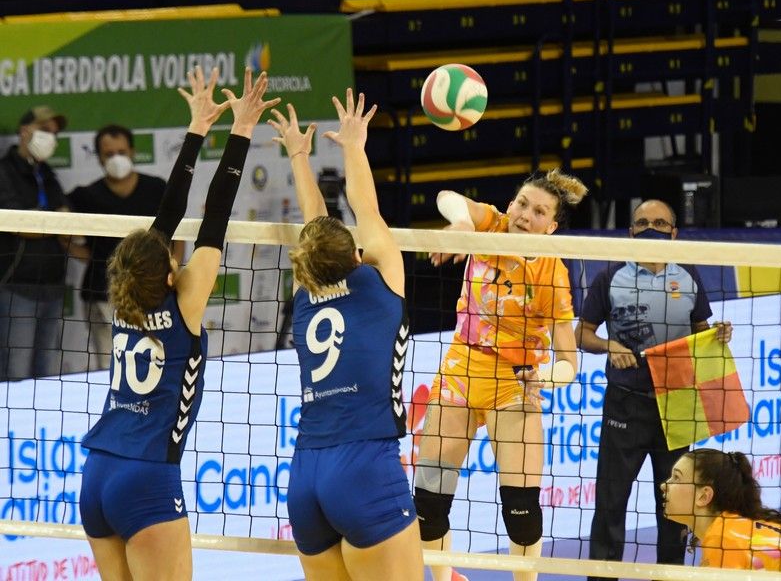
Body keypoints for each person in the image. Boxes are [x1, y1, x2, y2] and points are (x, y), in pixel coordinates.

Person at [78, 66, 279, 580]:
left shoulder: (123, 297)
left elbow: (166, 217)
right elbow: (215, 214)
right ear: (168, 272)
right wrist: (240, 129)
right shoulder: (186, 303)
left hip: (97, 475)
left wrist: (197, 128)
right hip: (146, 480)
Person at [268, 89, 424, 581]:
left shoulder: (302, 294)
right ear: (357, 255)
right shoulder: (380, 285)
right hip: (366, 468)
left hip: (306, 474)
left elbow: (314, 226)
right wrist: (353, 145)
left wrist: (298, 154)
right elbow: (366, 208)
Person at [416, 170, 587, 581]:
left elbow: (569, 362)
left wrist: (544, 378)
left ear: (551, 227)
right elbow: (446, 193)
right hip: (461, 368)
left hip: (514, 381)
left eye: (540, 211)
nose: (526, 215)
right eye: (523, 203)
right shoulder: (490, 224)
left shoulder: (552, 273)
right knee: (428, 505)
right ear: (511, 205)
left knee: (521, 512)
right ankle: (445, 579)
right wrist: (460, 222)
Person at [575, 199, 732, 581]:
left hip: (676, 404)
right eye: (643, 222)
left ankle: (670, 577)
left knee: (675, 507)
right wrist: (610, 346)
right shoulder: (610, 275)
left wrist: (717, 336)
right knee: (611, 503)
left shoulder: (689, 275)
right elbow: (582, 334)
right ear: (630, 231)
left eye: (660, 222)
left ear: (674, 232)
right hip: (625, 405)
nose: (651, 228)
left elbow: (700, 333)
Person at [68, 124, 183, 370]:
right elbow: (61, 233)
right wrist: (95, 257)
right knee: (110, 365)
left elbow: (178, 236)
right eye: (108, 154)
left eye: (121, 151)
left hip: (153, 293)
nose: (116, 158)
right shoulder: (85, 196)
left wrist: (172, 272)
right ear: (98, 156)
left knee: (157, 362)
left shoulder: (157, 189)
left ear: (132, 151)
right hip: (102, 293)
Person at [661, 448, 781, 575]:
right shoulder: (738, 528)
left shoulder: (724, 540)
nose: (664, 485)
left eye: (676, 478)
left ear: (704, 496)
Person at [0, 105, 70, 381]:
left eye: (54, 132)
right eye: (44, 130)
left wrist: (46, 221)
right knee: (16, 370)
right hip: (17, 286)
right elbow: (22, 226)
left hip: (53, 286)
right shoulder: (4, 172)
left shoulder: (48, 174)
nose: (50, 137)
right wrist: (52, 221)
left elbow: (68, 221)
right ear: (24, 131)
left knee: (45, 372)